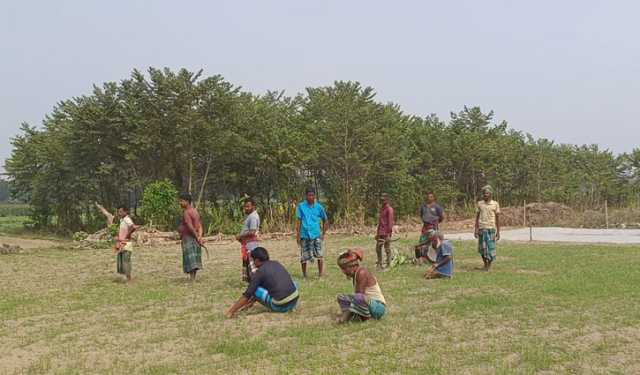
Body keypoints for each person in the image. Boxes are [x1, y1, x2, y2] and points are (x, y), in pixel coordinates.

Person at [225, 247, 299, 317]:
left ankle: (283, 306)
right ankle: (290, 305)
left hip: (281, 306)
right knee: (293, 282)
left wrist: (231, 311)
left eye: (253, 260)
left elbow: (247, 295)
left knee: (255, 290)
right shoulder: (276, 263)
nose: (253, 263)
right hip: (294, 300)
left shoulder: (259, 272)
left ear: (256, 260)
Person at [336, 249, 387, 323]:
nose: (343, 272)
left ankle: (365, 318)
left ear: (351, 266)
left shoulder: (361, 273)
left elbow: (359, 296)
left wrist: (345, 316)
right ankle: (356, 315)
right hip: (368, 304)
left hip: (378, 307)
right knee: (341, 297)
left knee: (358, 297)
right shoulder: (356, 274)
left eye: (344, 269)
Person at [296, 188, 328, 278]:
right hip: (304, 235)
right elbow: (298, 222)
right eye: (309, 195)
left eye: (312, 195)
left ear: (314, 196)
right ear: (306, 196)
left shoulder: (319, 207)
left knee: (319, 255)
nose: (310, 197)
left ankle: (320, 274)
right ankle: (304, 275)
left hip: (316, 234)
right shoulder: (301, 206)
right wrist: (298, 235)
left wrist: (323, 233)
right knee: (304, 256)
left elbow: (326, 220)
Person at [178, 193, 204, 281]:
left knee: (190, 258)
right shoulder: (195, 211)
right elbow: (200, 226)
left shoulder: (186, 213)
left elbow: (190, 227)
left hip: (189, 237)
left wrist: (197, 237)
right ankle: (193, 278)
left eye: (181, 201)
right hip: (195, 237)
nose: (180, 203)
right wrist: (199, 236)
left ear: (187, 202)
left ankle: (192, 278)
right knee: (194, 258)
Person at [474, 185, 501, 271]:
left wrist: (498, 232)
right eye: (484, 193)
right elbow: (477, 217)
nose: (485, 195)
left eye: (487, 193)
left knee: (491, 248)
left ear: (490, 194)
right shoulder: (480, 204)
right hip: (482, 228)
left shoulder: (495, 204)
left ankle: (489, 265)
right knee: (482, 249)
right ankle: (485, 264)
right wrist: (476, 229)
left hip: (491, 229)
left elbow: (497, 219)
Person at [415, 192, 445, 265]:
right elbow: (422, 216)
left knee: (433, 243)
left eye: (431, 197)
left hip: (433, 227)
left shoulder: (437, 207)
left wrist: (436, 222)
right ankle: (420, 260)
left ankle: (436, 259)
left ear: (434, 198)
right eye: (428, 197)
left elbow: (442, 217)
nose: (429, 198)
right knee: (421, 242)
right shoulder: (423, 206)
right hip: (425, 227)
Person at [235, 198, 260, 282]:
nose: (246, 208)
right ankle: (251, 282)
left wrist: (240, 235)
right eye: (245, 206)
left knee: (252, 266)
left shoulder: (253, 217)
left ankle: (255, 283)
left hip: (251, 245)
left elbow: (252, 231)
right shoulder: (250, 216)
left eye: (248, 206)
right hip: (248, 244)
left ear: (253, 206)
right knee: (248, 264)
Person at [114, 205, 139, 282]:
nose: (119, 213)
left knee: (126, 260)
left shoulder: (127, 219)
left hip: (126, 243)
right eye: (118, 212)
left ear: (126, 211)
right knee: (121, 259)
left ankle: (129, 278)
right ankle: (125, 277)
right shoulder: (122, 220)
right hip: (121, 242)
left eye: (121, 211)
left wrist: (127, 236)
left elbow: (133, 227)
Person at [375, 194, 395, 269]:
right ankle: (379, 263)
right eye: (381, 200)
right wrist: (377, 233)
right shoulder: (382, 209)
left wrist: (388, 235)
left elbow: (390, 223)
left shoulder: (389, 209)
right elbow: (380, 222)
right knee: (378, 248)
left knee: (387, 248)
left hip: (386, 233)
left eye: (384, 200)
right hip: (380, 232)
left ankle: (388, 264)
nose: (382, 201)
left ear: (387, 200)